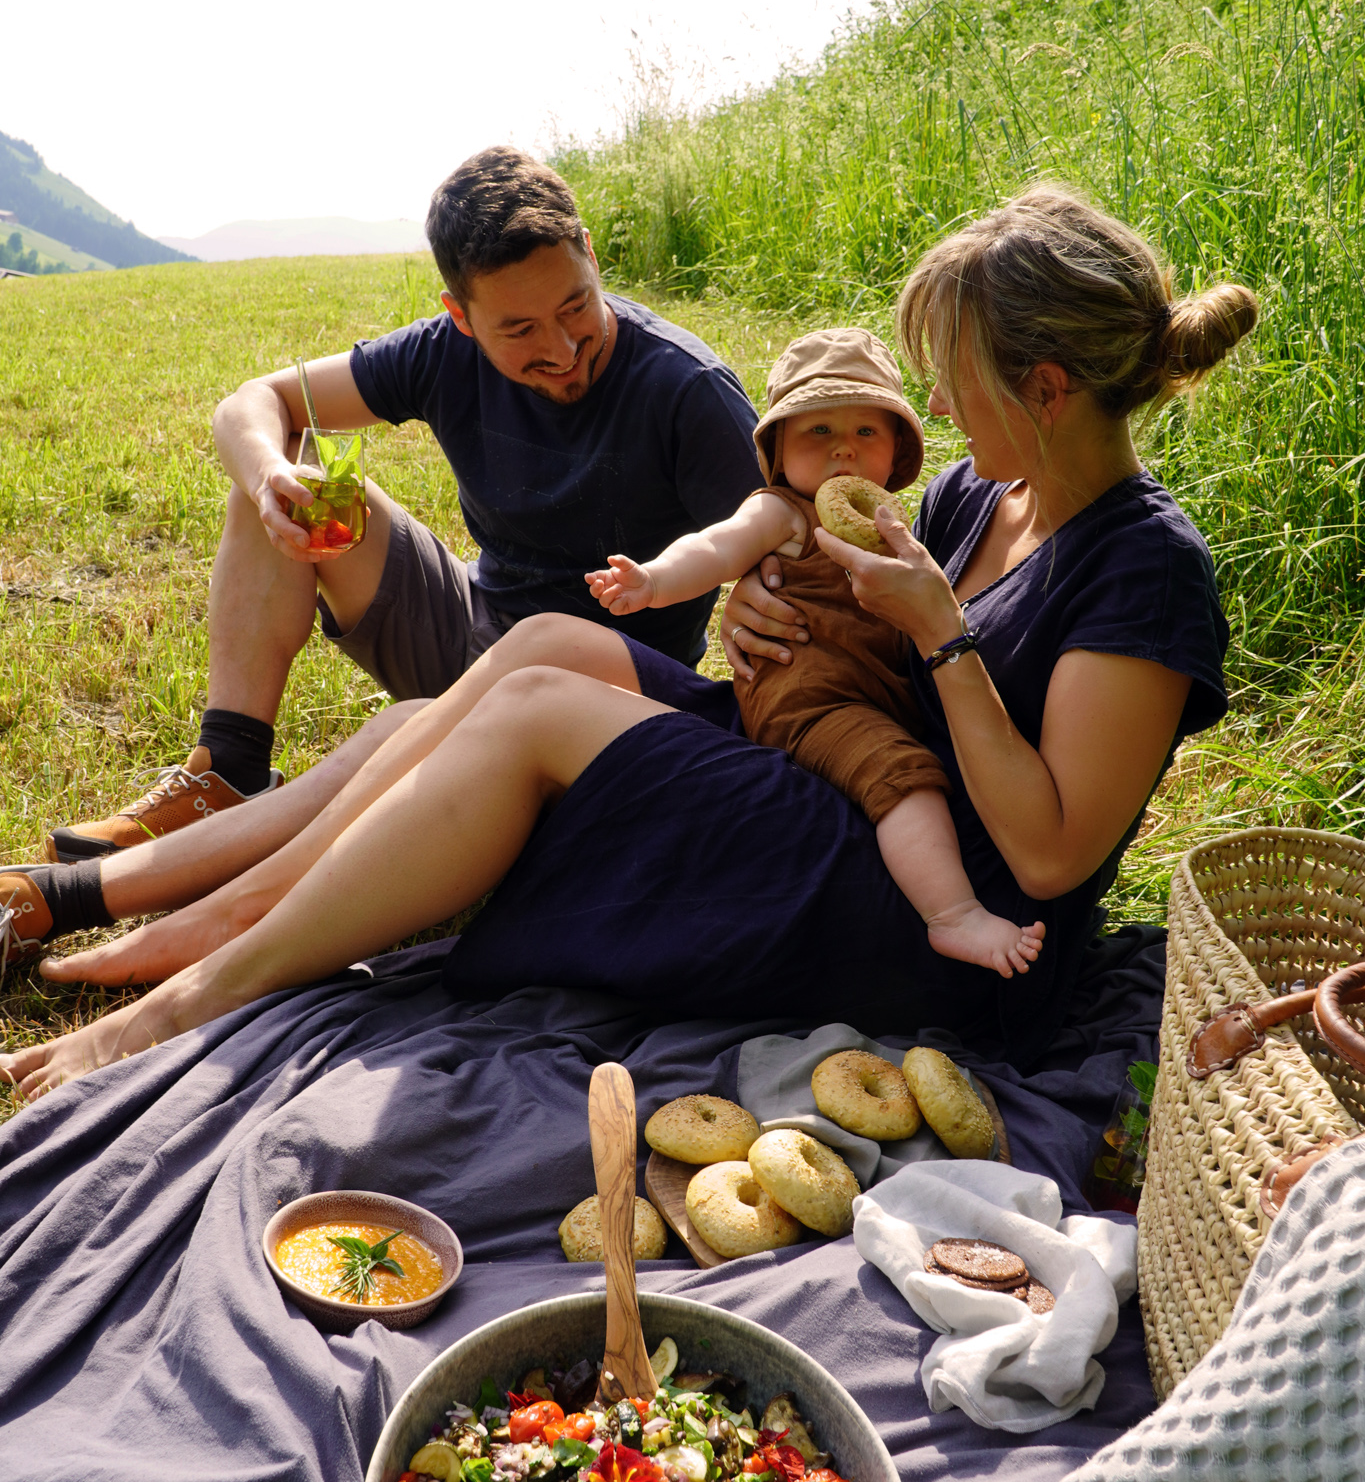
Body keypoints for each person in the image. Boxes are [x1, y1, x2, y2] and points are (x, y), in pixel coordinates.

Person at [2, 186, 1256, 1102]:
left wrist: (938, 636)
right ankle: (107, 895)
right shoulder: (994, 494)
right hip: (853, 780)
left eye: (955, 377)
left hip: (945, 918)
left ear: (1043, 385)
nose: (931, 407)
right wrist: (771, 612)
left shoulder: (1145, 567)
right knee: (552, 644)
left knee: (540, 710)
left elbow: (1044, 853)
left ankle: (191, 988)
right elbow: (865, 628)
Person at [41, 146, 761, 864]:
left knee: (392, 789)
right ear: (462, 316)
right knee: (288, 465)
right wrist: (267, 482)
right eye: (520, 330)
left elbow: (780, 540)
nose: (563, 345)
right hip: (474, 632)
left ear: (591, 257)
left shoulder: (686, 390)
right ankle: (228, 770)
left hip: (603, 700)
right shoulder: (441, 353)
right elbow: (251, 402)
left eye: (575, 305)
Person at [586, 325, 1045, 978]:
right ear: (777, 450)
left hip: (868, 694)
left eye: (865, 432)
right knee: (902, 779)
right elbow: (717, 546)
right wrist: (654, 580)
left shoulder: (897, 532)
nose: (843, 454)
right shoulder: (784, 514)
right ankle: (953, 916)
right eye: (818, 432)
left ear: (898, 451)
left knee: (897, 756)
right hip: (810, 701)